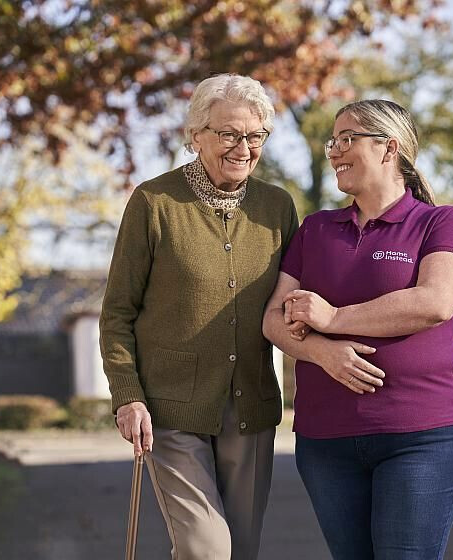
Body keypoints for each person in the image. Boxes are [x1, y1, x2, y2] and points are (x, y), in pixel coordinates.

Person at [262, 99, 453, 559]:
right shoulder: (316, 229)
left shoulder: (439, 222)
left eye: (347, 138)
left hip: (421, 435)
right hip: (326, 441)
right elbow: (273, 318)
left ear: (389, 148)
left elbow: (435, 302)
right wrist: (322, 352)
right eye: (332, 142)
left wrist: (333, 319)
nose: (334, 151)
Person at [100, 73, 298, 559]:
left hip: (250, 406)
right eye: (228, 134)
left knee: (242, 550)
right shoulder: (155, 203)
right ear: (196, 136)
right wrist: (127, 395)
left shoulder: (277, 207)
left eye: (255, 135)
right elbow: (118, 311)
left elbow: (293, 302)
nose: (243, 148)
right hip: (170, 409)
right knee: (206, 550)